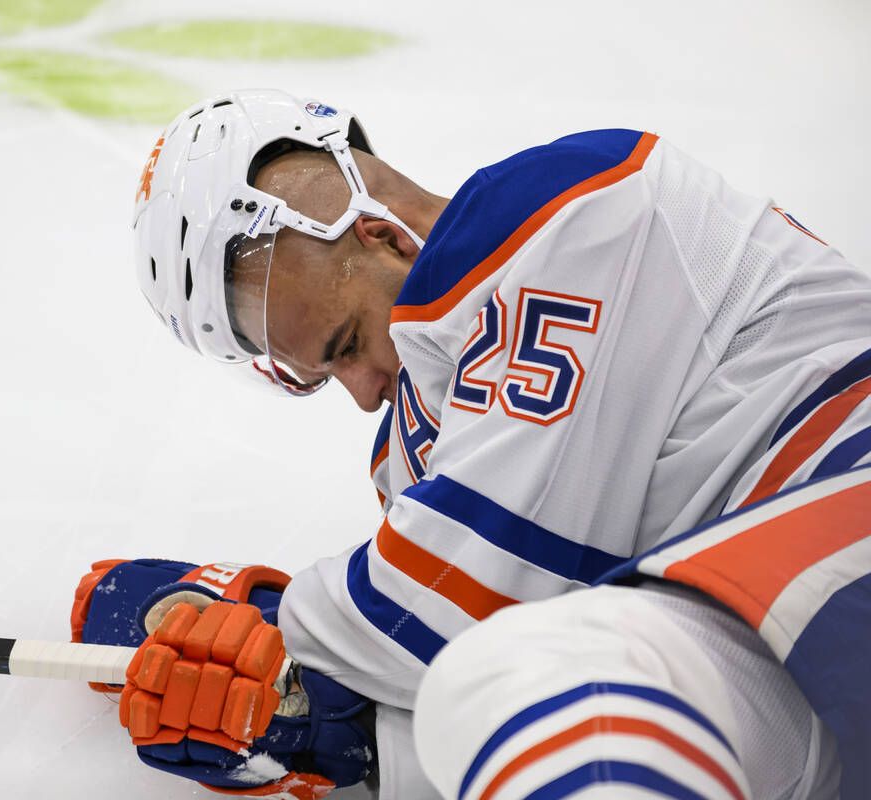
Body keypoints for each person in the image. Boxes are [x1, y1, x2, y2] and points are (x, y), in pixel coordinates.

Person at [75, 89, 871, 798]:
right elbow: (476, 656)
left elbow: (462, 604)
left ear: (383, 236)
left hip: (841, 505)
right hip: (793, 651)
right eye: (321, 374)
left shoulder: (560, 209)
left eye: (348, 342)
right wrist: (318, 730)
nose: (359, 394)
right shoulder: (414, 457)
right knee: (488, 701)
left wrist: (260, 628)